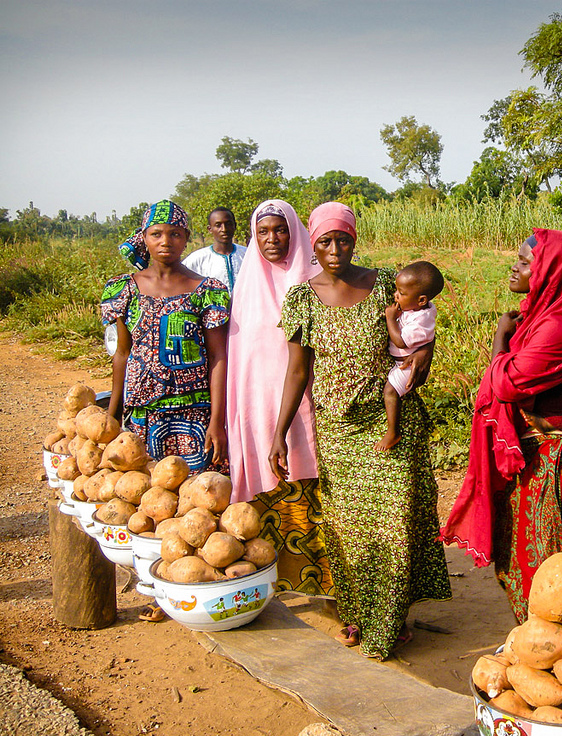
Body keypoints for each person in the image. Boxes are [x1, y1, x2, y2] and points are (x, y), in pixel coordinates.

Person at [269, 202, 451, 659]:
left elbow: (419, 326)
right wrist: (279, 433)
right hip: (337, 429)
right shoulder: (302, 298)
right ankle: (356, 614)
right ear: (312, 243)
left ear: (355, 239)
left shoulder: (387, 281)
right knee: (348, 529)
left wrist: (425, 356)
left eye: (343, 240)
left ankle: (390, 621)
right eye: (325, 242)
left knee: (394, 526)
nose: (335, 250)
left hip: (391, 423)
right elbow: (297, 373)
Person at [440, 229, 562, 623]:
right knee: (525, 560)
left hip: (561, 461)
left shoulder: (558, 327)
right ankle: (540, 652)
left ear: (551, 272)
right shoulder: (540, 317)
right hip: (537, 455)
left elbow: (508, 383)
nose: (514, 267)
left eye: (524, 262)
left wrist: (501, 337)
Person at [101, 200, 230, 623]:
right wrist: (115, 412)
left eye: (175, 234)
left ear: (186, 239)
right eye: (157, 234)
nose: (166, 242)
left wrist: (217, 419)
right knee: (150, 505)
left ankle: (191, 592)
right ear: (144, 237)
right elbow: (121, 354)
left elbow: (218, 357)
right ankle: (160, 592)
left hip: (194, 416)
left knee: (195, 509)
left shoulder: (207, 289)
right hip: (143, 416)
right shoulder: (124, 289)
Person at [225, 199, 331, 597]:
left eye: (281, 230)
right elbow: (240, 362)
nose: (273, 239)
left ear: (296, 232)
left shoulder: (316, 282)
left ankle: (324, 586)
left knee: (311, 492)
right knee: (268, 499)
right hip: (259, 413)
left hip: (307, 410)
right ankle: (272, 584)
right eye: (263, 231)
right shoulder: (246, 288)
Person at [376, 261, 445, 451]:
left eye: (401, 293)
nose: (395, 295)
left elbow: (400, 341)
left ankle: (393, 432)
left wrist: (390, 318)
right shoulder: (414, 308)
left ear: (421, 300)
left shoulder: (422, 321)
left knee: (390, 392)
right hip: (400, 363)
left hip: (408, 367)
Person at [182, 207, 246, 293]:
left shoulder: (247, 255)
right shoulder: (197, 259)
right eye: (218, 225)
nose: (224, 229)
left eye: (228, 224)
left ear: (235, 226)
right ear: (210, 229)